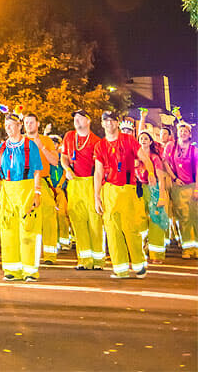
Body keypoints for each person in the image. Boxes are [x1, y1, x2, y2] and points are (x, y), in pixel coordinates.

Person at [94, 111, 156, 279]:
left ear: (117, 123)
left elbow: (145, 158)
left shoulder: (128, 140)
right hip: (109, 191)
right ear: (102, 124)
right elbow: (98, 172)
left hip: (127, 189)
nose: (109, 124)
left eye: (112, 121)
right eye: (105, 121)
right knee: (112, 231)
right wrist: (97, 196)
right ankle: (120, 268)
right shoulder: (100, 145)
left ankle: (138, 264)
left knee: (131, 229)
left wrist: (150, 173)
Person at [0, 112, 43, 281]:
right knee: (8, 228)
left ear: (19, 126)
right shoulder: (3, 147)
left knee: (28, 229)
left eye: (11, 125)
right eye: (6, 126)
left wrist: (37, 192)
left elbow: (37, 170)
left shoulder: (29, 145)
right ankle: (12, 269)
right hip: (8, 190)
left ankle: (30, 270)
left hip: (26, 188)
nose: (8, 129)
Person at [60, 110, 104, 270]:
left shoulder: (96, 141)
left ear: (88, 121)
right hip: (74, 183)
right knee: (77, 221)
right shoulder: (69, 136)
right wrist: (67, 169)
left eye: (80, 118)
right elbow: (63, 156)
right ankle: (84, 260)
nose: (77, 121)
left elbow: (100, 167)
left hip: (90, 182)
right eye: (75, 119)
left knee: (94, 222)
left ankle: (98, 260)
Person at [23, 113, 60, 264]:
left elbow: (55, 161)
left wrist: (41, 147)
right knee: (27, 220)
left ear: (38, 124)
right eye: (26, 122)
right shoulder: (20, 141)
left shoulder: (46, 141)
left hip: (43, 182)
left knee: (48, 219)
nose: (29, 125)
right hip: (24, 183)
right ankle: (29, 254)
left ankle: (50, 255)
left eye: (32, 122)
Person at [163, 122, 198, 258]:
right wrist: (174, 177)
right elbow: (165, 162)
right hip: (178, 187)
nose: (183, 133)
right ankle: (187, 248)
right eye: (181, 131)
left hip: (192, 186)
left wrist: (196, 189)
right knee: (183, 217)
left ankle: (196, 247)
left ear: (190, 135)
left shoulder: (194, 150)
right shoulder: (171, 147)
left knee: (194, 217)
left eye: (185, 131)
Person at [136, 130, 170, 262]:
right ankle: (141, 250)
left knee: (156, 221)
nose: (143, 140)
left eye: (146, 138)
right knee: (139, 221)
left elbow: (160, 178)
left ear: (150, 142)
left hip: (154, 190)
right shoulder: (136, 158)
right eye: (141, 138)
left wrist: (161, 195)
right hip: (140, 191)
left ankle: (156, 254)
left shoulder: (155, 157)